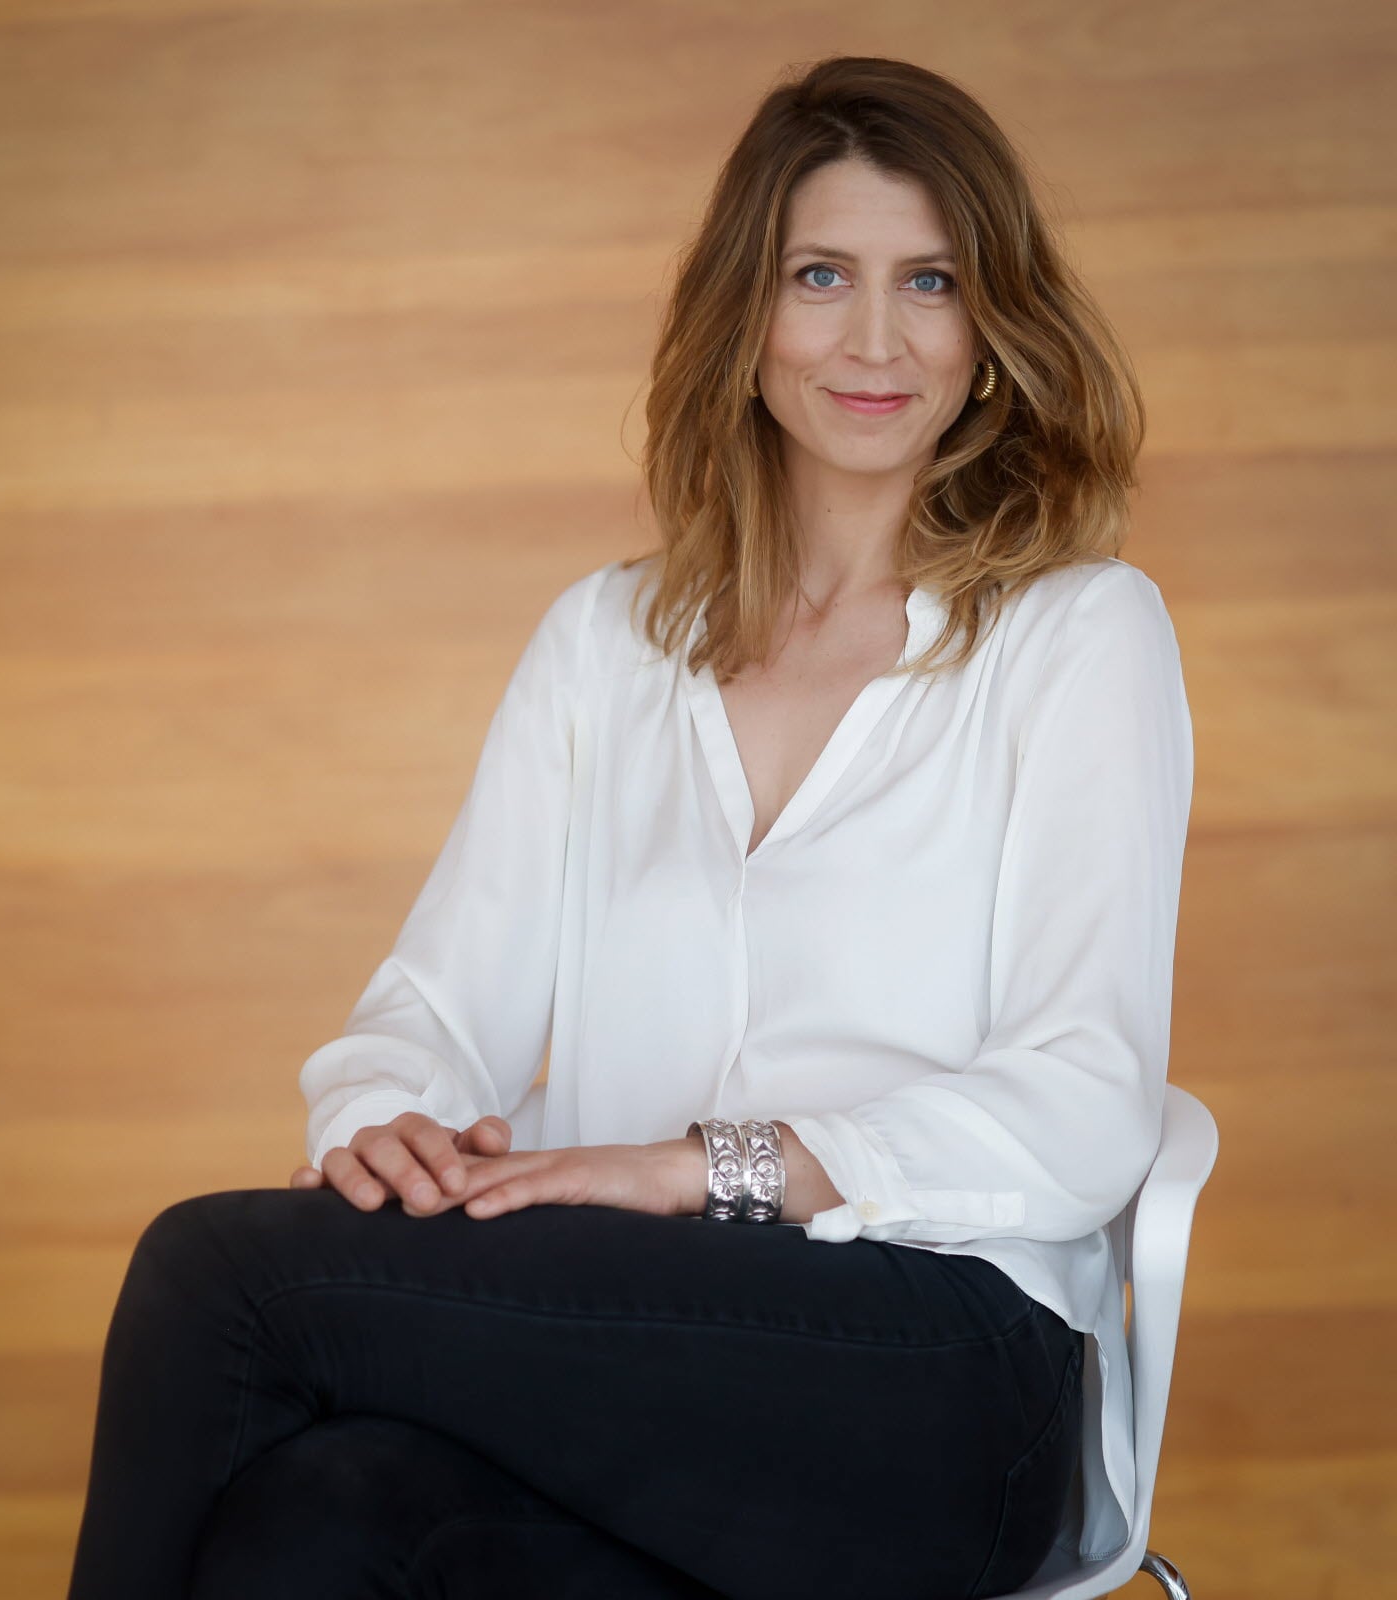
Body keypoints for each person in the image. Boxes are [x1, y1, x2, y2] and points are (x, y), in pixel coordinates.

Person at [66, 53, 1194, 1600]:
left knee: (221, 1278)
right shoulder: (608, 641)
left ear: (993, 324)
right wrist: (385, 1121)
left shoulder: (1079, 632)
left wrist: (705, 1168)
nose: (876, 339)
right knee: (323, 1511)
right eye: (820, 276)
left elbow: (1088, 1099)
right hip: (641, 1365)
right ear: (745, 317)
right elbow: (438, 1008)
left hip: (942, 1380)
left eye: (930, 281)